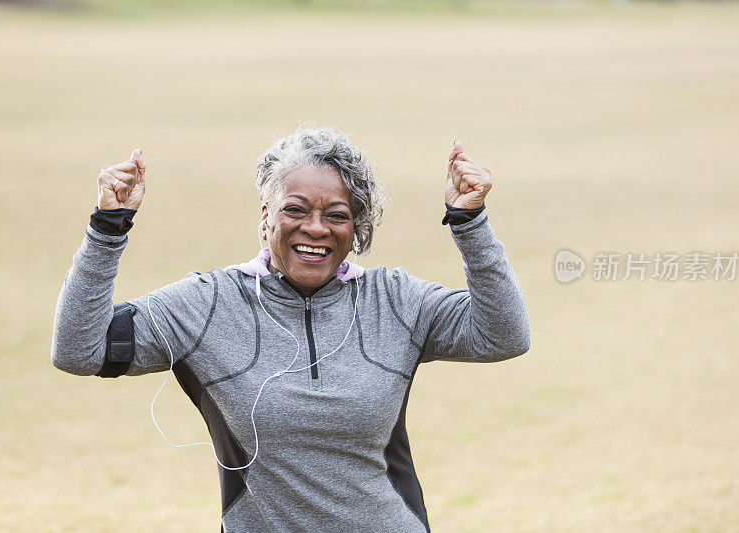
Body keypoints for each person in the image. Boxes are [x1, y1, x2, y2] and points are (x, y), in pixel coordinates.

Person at [51, 126, 531, 532]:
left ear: (355, 228)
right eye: (295, 209)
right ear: (266, 217)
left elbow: (504, 334)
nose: (316, 228)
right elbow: (79, 349)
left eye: (336, 215)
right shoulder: (209, 303)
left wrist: (470, 222)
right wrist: (108, 228)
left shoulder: (395, 299)